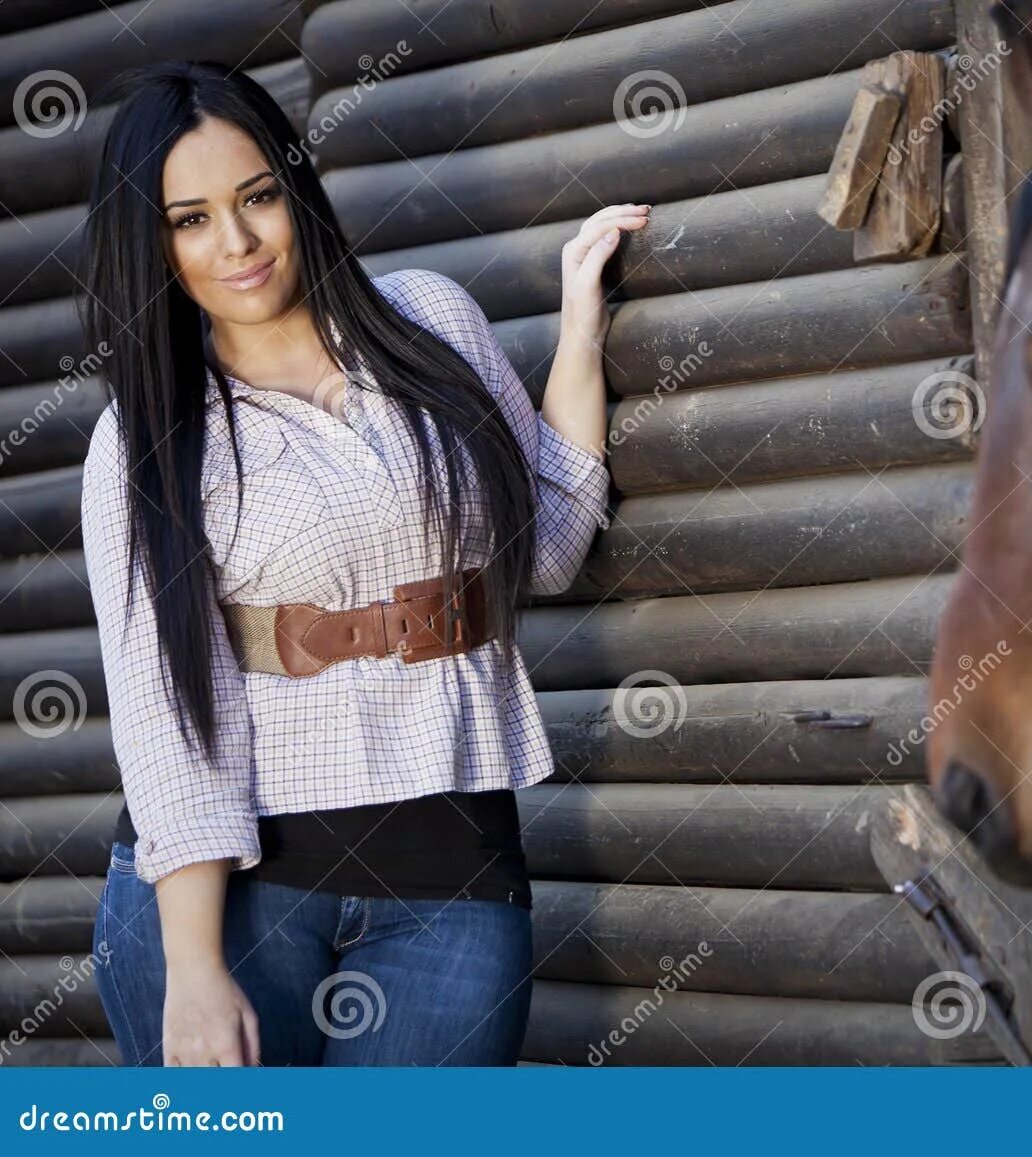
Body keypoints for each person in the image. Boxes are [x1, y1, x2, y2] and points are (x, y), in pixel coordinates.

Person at [80, 60, 647, 1066]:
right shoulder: (144, 439)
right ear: (152, 243)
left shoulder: (429, 319)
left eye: (256, 198)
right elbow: (165, 706)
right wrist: (196, 964)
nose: (238, 242)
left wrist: (579, 329)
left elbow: (547, 551)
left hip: (455, 874)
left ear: (295, 188)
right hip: (242, 892)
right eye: (191, 218)